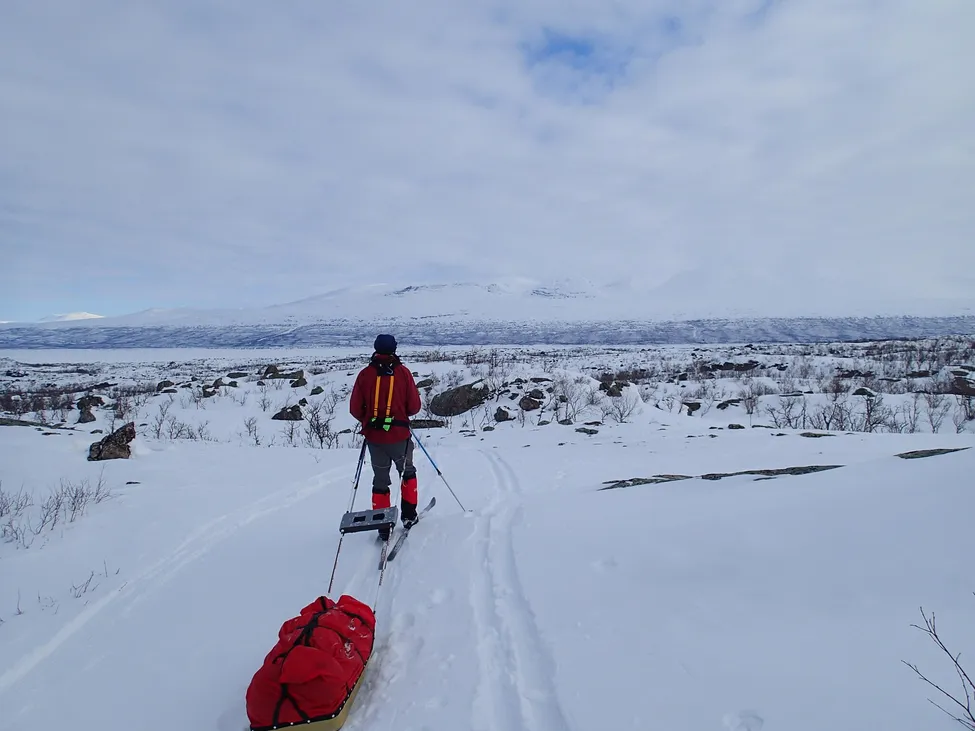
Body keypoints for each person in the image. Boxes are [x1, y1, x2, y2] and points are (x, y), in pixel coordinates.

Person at [349, 334, 422, 539]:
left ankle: (382, 525)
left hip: (375, 438)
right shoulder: (403, 373)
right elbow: (414, 407)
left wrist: (369, 420)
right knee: (407, 472)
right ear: (394, 350)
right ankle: (409, 516)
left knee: (380, 480)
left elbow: (355, 408)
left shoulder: (365, 375)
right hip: (399, 436)